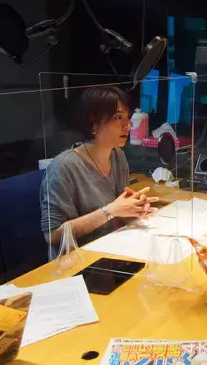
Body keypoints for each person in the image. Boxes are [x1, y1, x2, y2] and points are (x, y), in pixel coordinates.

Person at [40, 86, 158, 250]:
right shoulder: (63, 167)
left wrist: (134, 209)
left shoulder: (117, 155)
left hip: (111, 246)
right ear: (93, 124)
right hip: (80, 258)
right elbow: (52, 235)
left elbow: (119, 211)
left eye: (127, 118)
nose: (127, 126)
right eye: (117, 117)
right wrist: (110, 211)